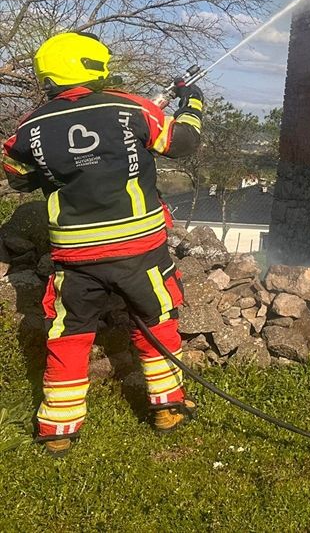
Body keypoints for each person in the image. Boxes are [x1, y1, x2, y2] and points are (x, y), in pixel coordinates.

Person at [2, 31, 205, 454]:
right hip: (140, 251)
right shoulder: (131, 106)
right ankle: (167, 407)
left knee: (69, 333)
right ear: (96, 66)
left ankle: (58, 429)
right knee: (156, 322)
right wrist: (193, 103)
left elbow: (18, 179)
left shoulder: (29, 126)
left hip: (74, 257)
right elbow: (183, 143)